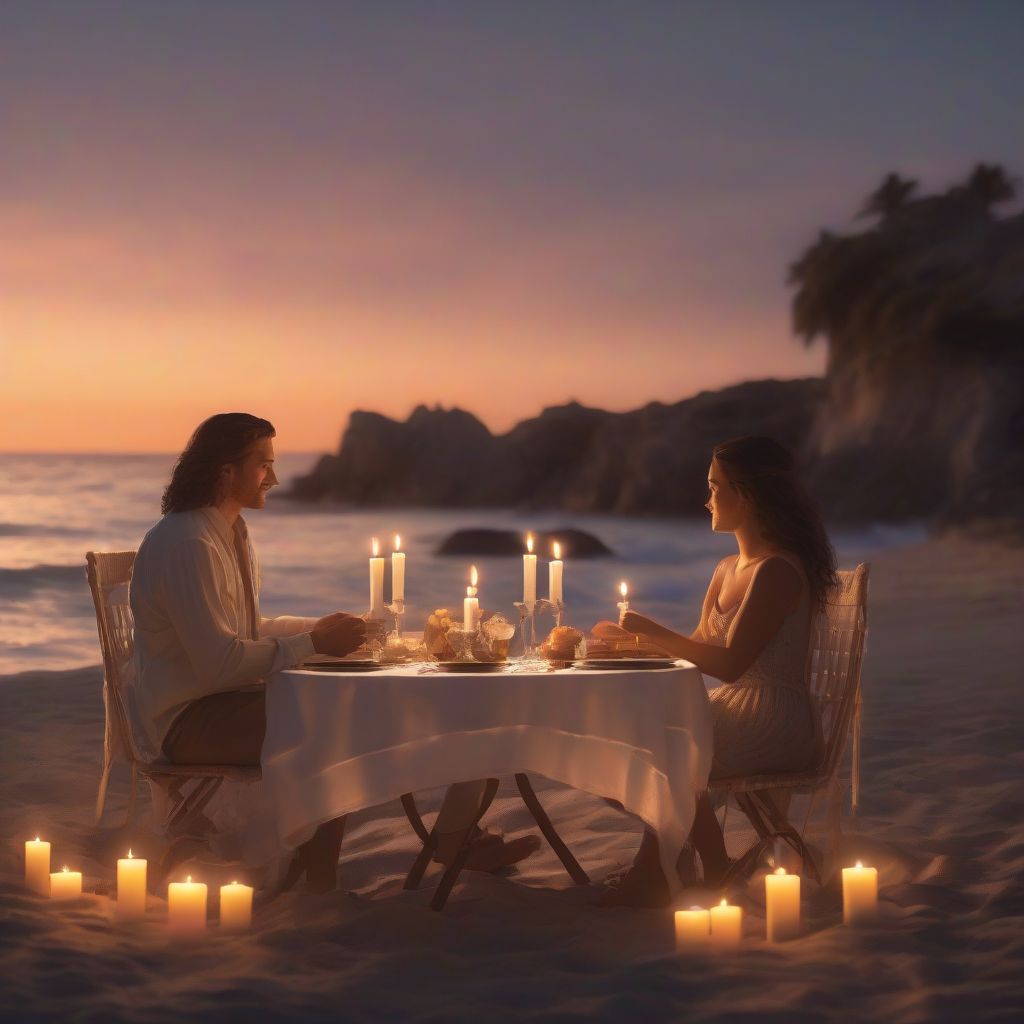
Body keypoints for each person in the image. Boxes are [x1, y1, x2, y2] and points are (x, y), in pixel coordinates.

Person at [131, 413, 537, 892]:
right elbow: (220, 663)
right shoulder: (187, 543)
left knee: (394, 702)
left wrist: (325, 628)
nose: (275, 478)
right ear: (225, 471)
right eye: (264, 465)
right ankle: (314, 880)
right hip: (187, 719)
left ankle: (452, 836)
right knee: (334, 723)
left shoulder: (229, 532)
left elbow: (242, 630)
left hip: (226, 699)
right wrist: (313, 645)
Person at [599, 435, 838, 907]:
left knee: (667, 749)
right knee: (626, 742)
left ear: (745, 494)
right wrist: (627, 644)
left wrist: (654, 630)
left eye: (714, 487)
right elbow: (698, 650)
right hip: (735, 705)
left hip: (774, 714)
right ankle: (674, 862)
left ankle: (693, 865)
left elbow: (729, 665)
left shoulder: (777, 571)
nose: (706, 499)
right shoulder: (728, 568)